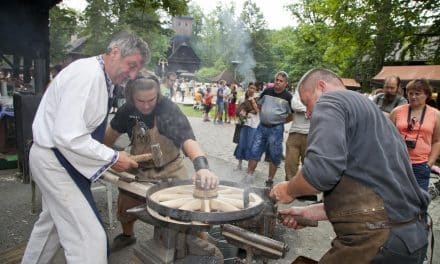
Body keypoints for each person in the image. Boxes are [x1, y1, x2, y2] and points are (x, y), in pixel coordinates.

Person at [271, 68, 430, 264]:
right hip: (411, 238)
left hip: (378, 241)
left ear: (321, 87)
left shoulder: (331, 101)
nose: (309, 114)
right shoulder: (377, 116)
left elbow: (320, 173)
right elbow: (372, 197)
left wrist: (289, 189)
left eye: (307, 103)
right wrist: (307, 212)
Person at [22, 31, 149, 264]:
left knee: (50, 227)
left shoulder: (99, 74)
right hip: (55, 160)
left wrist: (108, 157)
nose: (132, 74)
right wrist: (112, 157)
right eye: (131, 65)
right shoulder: (88, 75)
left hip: (55, 157)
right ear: (114, 52)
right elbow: (68, 135)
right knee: (89, 240)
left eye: (136, 69)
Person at [103, 73, 219, 251]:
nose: (147, 105)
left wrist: (202, 167)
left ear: (158, 94)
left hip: (171, 168)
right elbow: (108, 138)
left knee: (188, 214)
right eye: (140, 101)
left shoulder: (168, 108)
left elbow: (188, 139)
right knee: (126, 206)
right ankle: (128, 235)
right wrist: (106, 156)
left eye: (151, 99)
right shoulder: (126, 110)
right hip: (139, 170)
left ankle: (206, 248)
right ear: (131, 97)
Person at [389, 79, 440, 191]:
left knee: (419, 200)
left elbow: (437, 141)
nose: (413, 97)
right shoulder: (397, 111)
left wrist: (430, 163)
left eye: (417, 93)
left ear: (426, 94)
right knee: (397, 197)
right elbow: (387, 137)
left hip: (421, 164)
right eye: (410, 93)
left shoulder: (435, 115)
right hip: (398, 162)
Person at [244, 71, 293, 185]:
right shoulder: (267, 91)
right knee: (254, 150)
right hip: (261, 127)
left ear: (286, 84)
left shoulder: (288, 97)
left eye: (281, 81)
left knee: (274, 154)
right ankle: (249, 176)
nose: (278, 82)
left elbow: (291, 115)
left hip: (276, 129)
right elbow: (259, 106)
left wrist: (279, 122)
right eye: (277, 79)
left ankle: (270, 180)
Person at [285, 87, 310, 181]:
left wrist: (308, 108)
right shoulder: (299, 90)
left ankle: (308, 193)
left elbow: (321, 107)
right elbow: (294, 104)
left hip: (310, 134)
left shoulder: (320, 93)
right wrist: (309, 109)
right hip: (294, 133)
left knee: (308, 167)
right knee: (290, 164)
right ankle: (289, 191)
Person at [234, 82, 259, 170]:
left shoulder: (257, 99)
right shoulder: (242, 98)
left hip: (254, 125)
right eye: (250, 87)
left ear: (256, 90)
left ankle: (249, 167)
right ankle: (239, 164)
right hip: (243, 124)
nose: (251, 89)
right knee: (241, 143)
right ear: (248, 88)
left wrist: (252, 101)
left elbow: (257, 111)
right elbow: (238, 111)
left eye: (253, 88)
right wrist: (242, 114)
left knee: (251, 145)